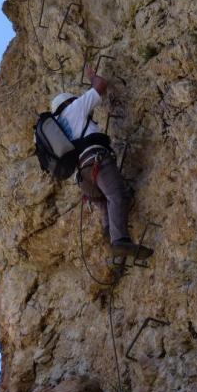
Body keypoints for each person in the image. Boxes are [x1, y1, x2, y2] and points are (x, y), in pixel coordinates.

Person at [51, 66, 153, 259]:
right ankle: (120, 240)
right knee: (117, 195)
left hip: (83, 178)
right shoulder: (74, 109)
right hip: (96, 161)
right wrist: (92, 77)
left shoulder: (58, 127)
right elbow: (100, 86)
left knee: (104, 201)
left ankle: (109, 231)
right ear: (69, 102)